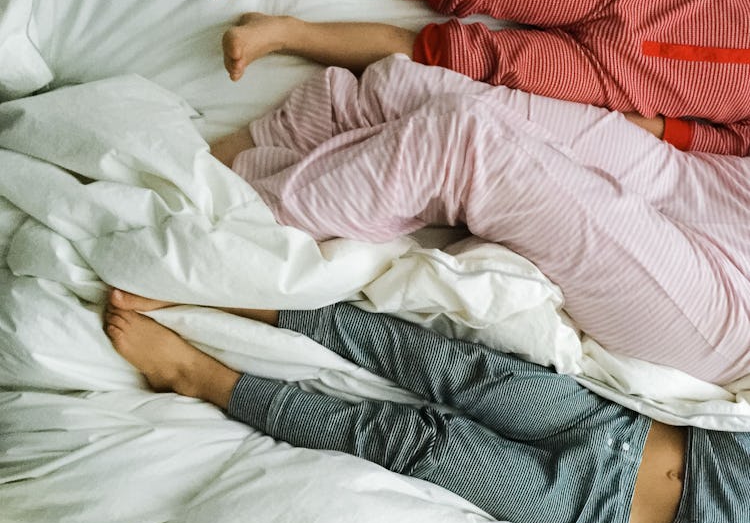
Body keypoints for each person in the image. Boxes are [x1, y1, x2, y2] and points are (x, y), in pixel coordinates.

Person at [102, 287, 750, 523]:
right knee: (453, 367)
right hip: (625, 426)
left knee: (422, 443)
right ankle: (234, 293)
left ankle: (199, 376)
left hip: (596, 513)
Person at [211, 55, 750, 385]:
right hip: (717, 184)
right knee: (399, 90)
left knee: (462, 139)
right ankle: (211, 165)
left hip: (734, 309)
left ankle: (222, 241)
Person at [203, 0, 750, 155]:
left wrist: (658, 130)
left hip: (616, 81)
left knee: (455, 61)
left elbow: (733, 142)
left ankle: (287, 34)